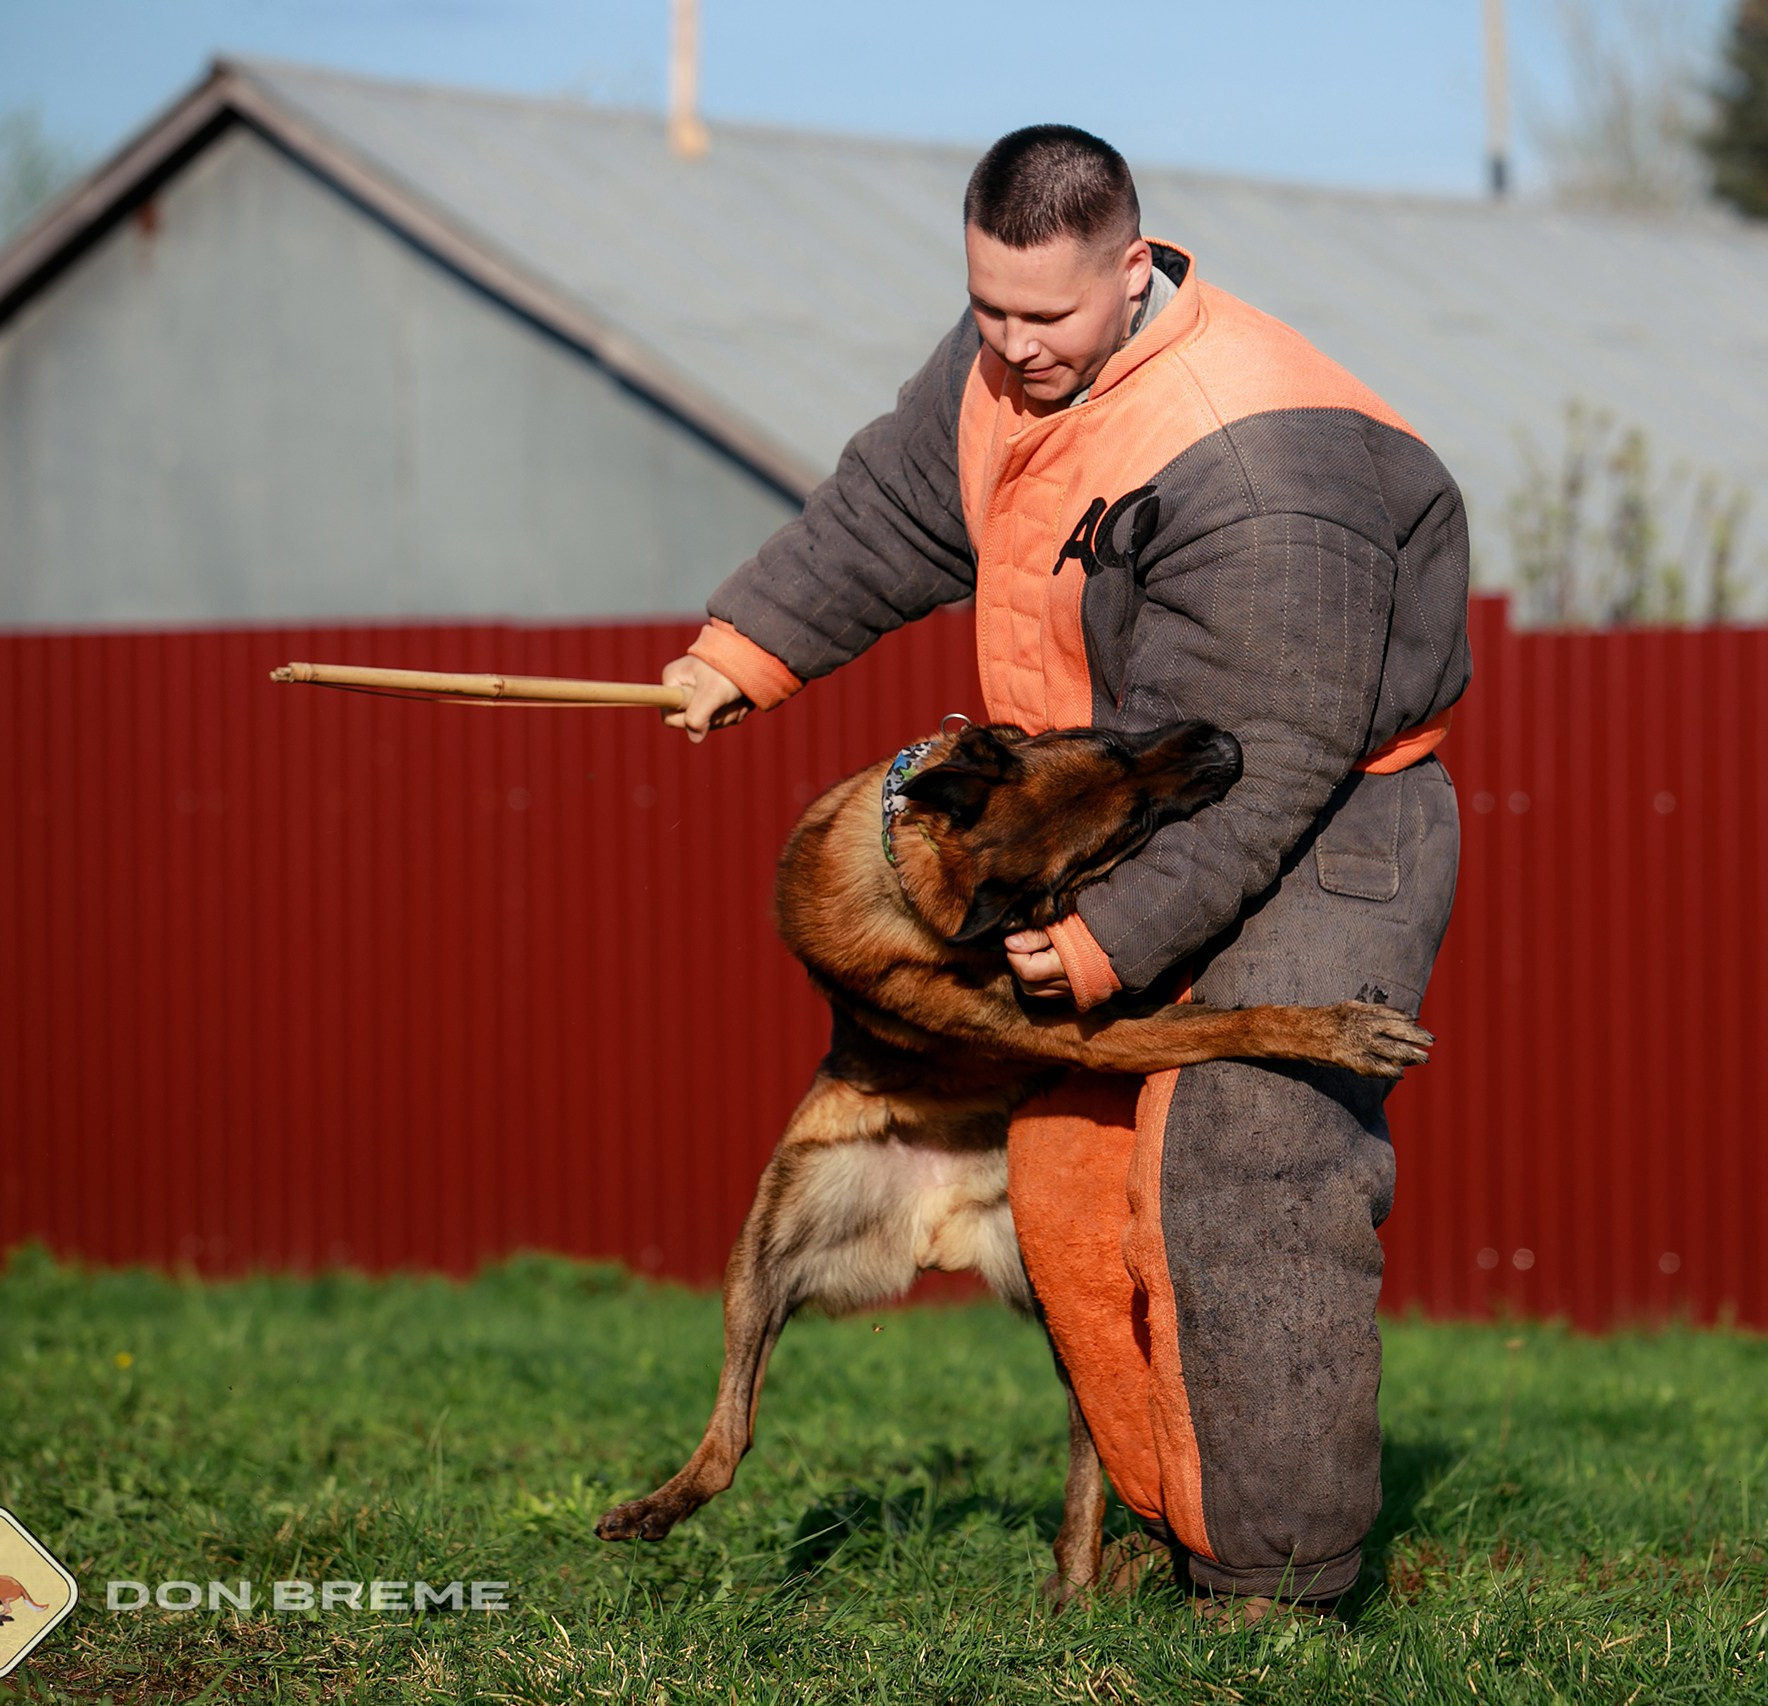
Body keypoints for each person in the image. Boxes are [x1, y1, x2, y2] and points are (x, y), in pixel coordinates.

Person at [659, 124, 1468, 1616]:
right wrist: (739, 653)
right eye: (988, 309)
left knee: (1248, 1159)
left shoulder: (1255, 457)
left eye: (1047, 315)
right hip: (1118, 823)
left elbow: (1264, 758)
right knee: (1071, 1186)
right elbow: (891, 510)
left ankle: (1276, 1595)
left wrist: (1098, 944)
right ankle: (1175, 1522)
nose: (1013, 346)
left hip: (1321, 826)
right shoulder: (1003, 368)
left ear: (1134, 260)